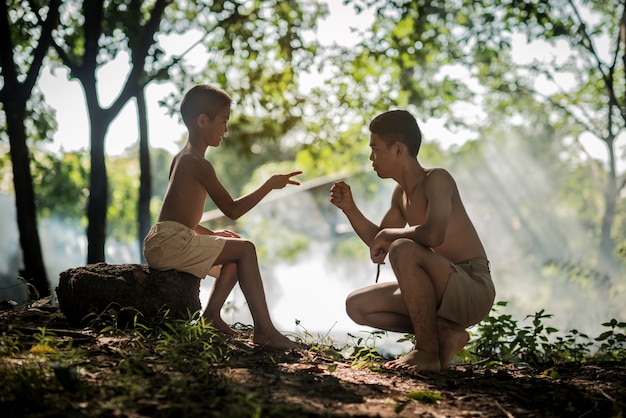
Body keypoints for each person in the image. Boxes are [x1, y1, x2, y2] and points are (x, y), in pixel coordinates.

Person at [330, 110, 495, 372]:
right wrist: (349, 208)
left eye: (375, 149)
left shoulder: (437, 179)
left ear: (397, 149)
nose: (371, 158)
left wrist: (389, 237)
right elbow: (380, 242)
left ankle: (426, 351)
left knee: (403, 248)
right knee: (358, 306)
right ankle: (444, 334)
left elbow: (432, 234)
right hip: (439, 288)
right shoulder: (400, 194)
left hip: (471, 288)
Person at [144, 84, 300, 350]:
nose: (225, 130)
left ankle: (212, 316)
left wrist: (211, 234)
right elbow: (232, 210)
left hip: (166, 239)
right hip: (170, 242)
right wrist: (268, 185)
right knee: (246, 249)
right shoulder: (196, 162)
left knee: (235, 254)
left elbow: (182, 219)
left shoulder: (183, 158)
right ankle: (265, 331)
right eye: (223, 122)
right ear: (202, 121)